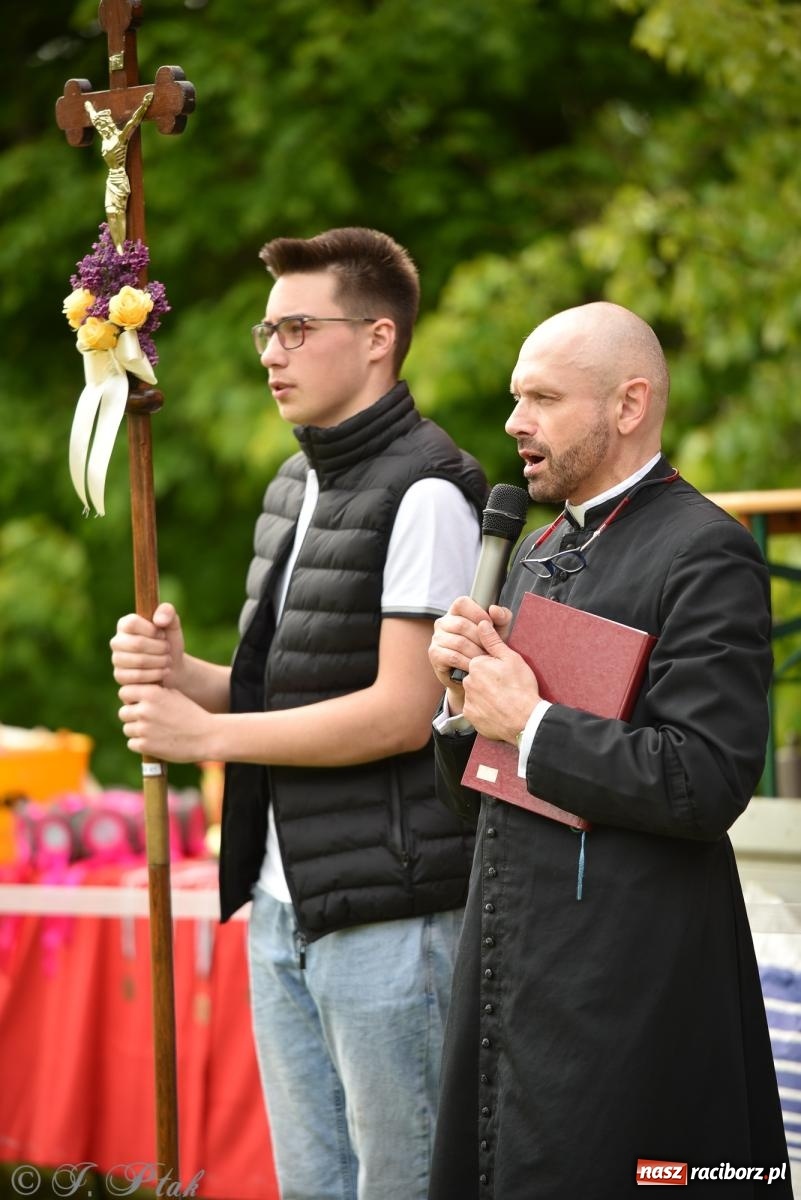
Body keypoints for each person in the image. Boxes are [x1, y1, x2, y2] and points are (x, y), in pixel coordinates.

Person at [110, 227, 487, 1200]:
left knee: (401, 1187)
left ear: (377, 338)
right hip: (282, 899)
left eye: (296, 329)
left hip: (392, 913)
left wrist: (206, 737)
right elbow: (290, 694)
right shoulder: (292, 484)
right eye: (264, 332)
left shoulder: (430, 492)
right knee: (311, 1187)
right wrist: (184, 673)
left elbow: (404, 712)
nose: (271, 352)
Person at [427, 301, 791, 1199]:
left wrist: (532, 721)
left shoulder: (704, 551)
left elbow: (705, 780)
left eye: (543, 398)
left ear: (628, 406)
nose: (514, 422)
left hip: (631, 982)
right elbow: (478, 796)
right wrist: (459, 707)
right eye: (516, 398)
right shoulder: (539, 544)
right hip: (513, 957)